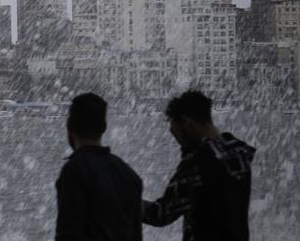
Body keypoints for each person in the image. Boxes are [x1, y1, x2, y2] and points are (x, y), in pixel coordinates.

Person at [143, 90, 255, 241]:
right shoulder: (238, 152)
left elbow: (160, 214)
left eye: (176, 134)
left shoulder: (198, 162)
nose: (179, 142)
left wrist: (121, 200)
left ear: (187, 123)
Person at [55, 92, 143, 241]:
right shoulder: (128, 174)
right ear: (104, 127)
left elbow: (68, 234)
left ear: (70, 126)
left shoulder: (74, 171)